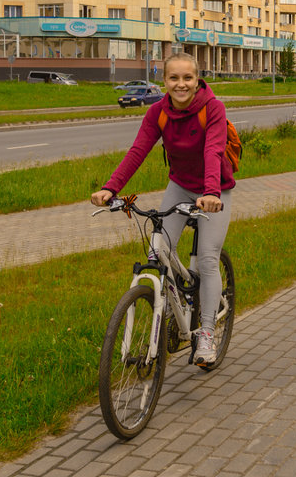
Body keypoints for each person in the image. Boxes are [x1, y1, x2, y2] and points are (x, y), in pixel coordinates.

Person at [91, 52, 234, 366]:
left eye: (187, 78)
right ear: (164, 81)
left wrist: (211, 192)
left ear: (197, 80)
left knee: (208, 259)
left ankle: (207, 333)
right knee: (159, 251)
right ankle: (174, 302)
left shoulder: (213, 108)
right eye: (174, 78)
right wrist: (111, 187)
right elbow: (138, 150)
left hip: (215, 189)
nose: (181, 84)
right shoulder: (158, 112)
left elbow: (214, 151)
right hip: (180, 185)